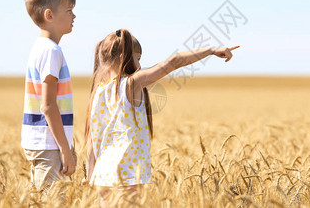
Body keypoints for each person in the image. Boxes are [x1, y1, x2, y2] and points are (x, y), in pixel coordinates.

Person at [84, 28, 239, 203]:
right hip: (128, 175)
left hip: (102, 176)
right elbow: (173, 62)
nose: (140, 65)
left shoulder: (97, 92)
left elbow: (91, 139)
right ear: (123, 57)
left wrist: (90, 176)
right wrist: (210, 50)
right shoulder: (131, 85)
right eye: (138, 58)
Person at [21, 0, 77, 191]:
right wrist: (65, 149)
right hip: (48, 143)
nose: (74, 16)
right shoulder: (51, 51)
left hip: (43, 142)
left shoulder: (40, 47)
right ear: (49, 15)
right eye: (69, 10)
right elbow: (48, 106)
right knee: (52, 201)